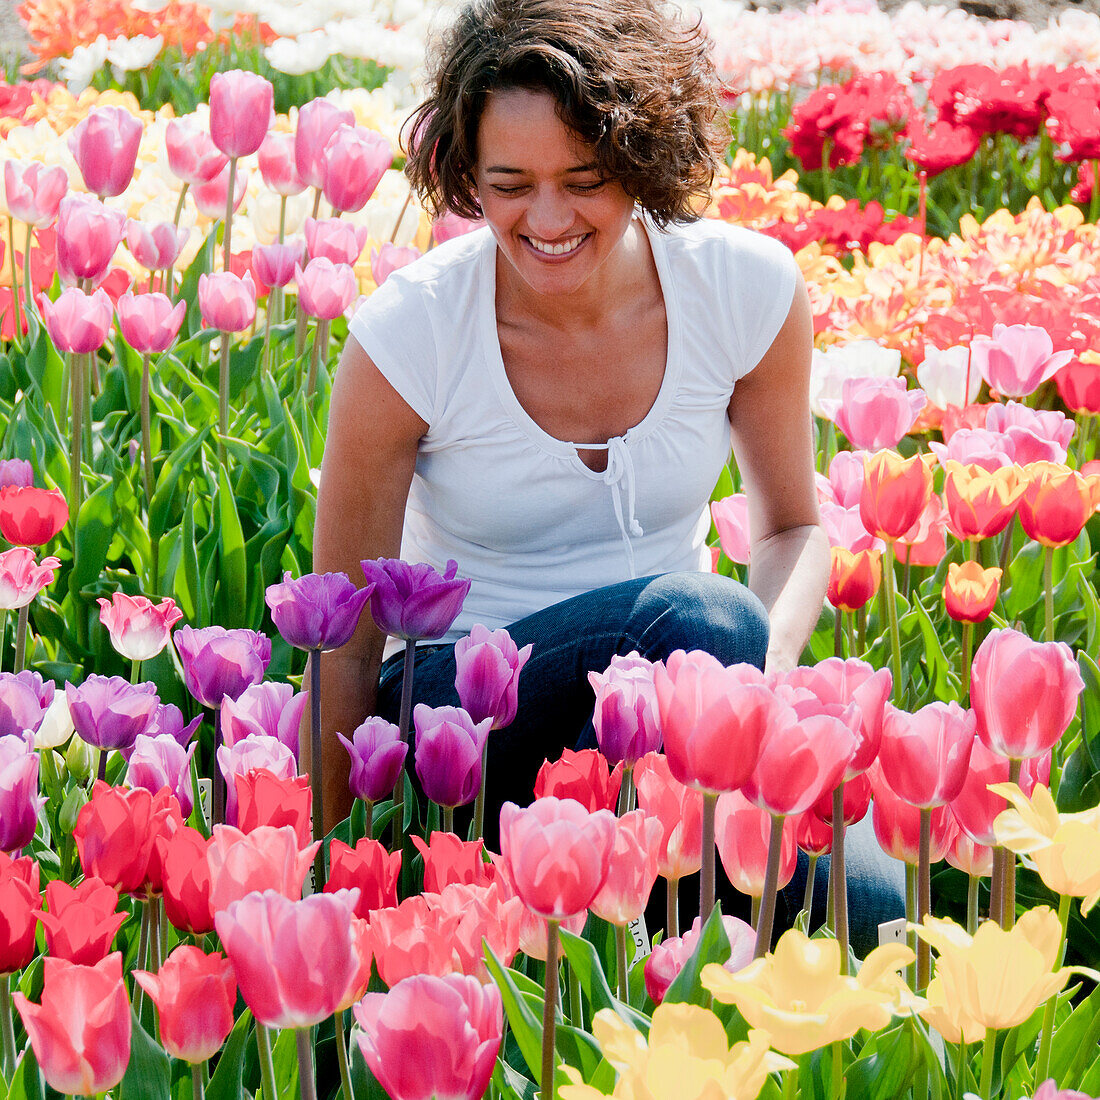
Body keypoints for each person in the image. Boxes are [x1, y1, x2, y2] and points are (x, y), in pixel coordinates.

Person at [313, 0, 902, 949]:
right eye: (508, 184)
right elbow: (343, 637)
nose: (545, 220)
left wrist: (758, 688)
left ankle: (645, 964)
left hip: (690, 689)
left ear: (642, 156)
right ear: (467, 175)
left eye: (584, 180)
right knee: (698, 617)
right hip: (469, 720)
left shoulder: (742, 290)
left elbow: (793, 527)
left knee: (875, 918)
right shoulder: (411, 336)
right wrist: (326, 878)